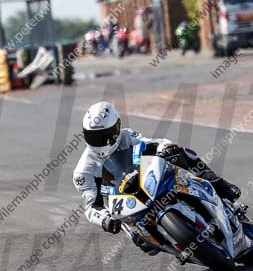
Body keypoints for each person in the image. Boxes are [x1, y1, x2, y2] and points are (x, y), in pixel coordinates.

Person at [73, 101, 241, 251]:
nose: (99, 142)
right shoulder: (83, 171)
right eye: (92, 137)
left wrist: (165, 148)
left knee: (182, 153)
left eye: (104, 135)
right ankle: (176, 244)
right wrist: (104, 219)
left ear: (117, 128)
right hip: (124, 204)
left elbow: (150, 144)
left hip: (145, 181)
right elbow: (91, 206)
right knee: (144, 244)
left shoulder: (126, 136)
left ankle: (219, 184)